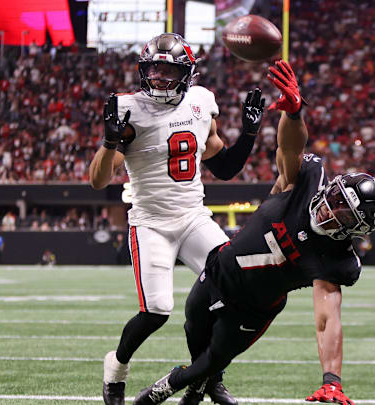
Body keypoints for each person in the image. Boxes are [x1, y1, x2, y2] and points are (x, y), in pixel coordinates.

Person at [131, 60, 375, 405]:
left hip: (252, 310)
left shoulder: (336, 260)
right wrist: (294, 113)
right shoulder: (304, 183)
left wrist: (332, 380)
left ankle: (172, 387)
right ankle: (204, 385)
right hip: (218, 270)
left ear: (357, 228)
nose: (331, 208)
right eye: (337, 198)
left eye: (344, 211)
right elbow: (290, 148)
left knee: (210, 361)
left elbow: (327, 320)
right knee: (194, 333)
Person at [88, 33, 265, 405]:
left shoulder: (201, 102)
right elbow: (98, 180)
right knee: (156, 311)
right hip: (151, 221)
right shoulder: (128, 109)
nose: (159, 77)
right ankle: (115, 368)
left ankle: (209, 376)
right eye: (154, 69)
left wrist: (249, 134)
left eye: (169, 70)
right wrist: (108, 143)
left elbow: (226, 168)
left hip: (193, 217)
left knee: (233, 289)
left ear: (187, 74)